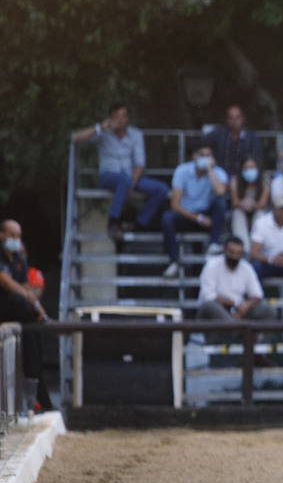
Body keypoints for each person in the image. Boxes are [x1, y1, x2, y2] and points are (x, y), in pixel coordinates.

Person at [71, 101, 170, 243]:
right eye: (117, 116)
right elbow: (76, 138)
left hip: (130, 178)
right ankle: (113, 222)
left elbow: (140, 164)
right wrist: (100, 128)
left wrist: (131, 183)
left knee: (162, 189)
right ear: (111, 118)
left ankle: (139, 223)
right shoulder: (103, 133)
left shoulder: (136, 134)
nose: (121, 120)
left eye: (124, 116)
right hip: (108, 176)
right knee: (123, 180)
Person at [0, 220, 52, 410]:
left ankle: (40, 400)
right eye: (12, 235)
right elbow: (8, 283)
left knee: (33, 353)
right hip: (8, 307)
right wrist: (31, 301)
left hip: (21, 313)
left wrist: (35, 303)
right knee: (19, 302)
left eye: (18, 236)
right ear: (2, 235)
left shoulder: (19, 260)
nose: (15, 240)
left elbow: (26, 287)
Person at [162, 140, 229, 276]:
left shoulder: (218, 172)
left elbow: (221, 191)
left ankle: (213, 244)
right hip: (188, 215)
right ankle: (174, 261)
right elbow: (175, 205)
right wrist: (198, 218)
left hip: (208, 217)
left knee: (220, 203)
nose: (205, 159)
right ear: (194, 156)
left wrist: (210, 170)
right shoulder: (182, 170)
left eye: (208, 156)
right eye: (202, 155)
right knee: (167, 217)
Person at [196, 236, 270, 321]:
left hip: (239, 309)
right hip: (215, 309)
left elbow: (257, 295)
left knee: (265, 308)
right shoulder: (212, 265)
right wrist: (227, 301)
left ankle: (235, 326)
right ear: (224, 250)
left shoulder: (246, 267)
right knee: (211, 306)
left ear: (242, 254)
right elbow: (207, 296)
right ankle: (234, 326)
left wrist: (246, 305)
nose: (234, 256)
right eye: (231, 252)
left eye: (238, 253)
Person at [205, 104, 263, 181]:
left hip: (243, 179)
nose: (234, 121)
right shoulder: (219, 134)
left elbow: (257, 158)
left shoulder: (251, 137)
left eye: (237, 118)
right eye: (231, 118)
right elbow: (203, 145)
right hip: (221, 177)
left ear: (243, 119)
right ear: (227, 120)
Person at [229, 155, 269, 246]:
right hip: (241, 209)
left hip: (257, 209)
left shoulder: (264, 181)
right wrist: (243, 204)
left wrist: (252, 204)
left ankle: (257, 245)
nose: (249, 170)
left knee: (260, 214)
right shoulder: (235, 181)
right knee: (237, 213)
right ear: (241, 170)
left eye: (252, 167)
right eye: (246, 168)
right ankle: (244, 248)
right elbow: (235, 202)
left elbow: (263, 203)